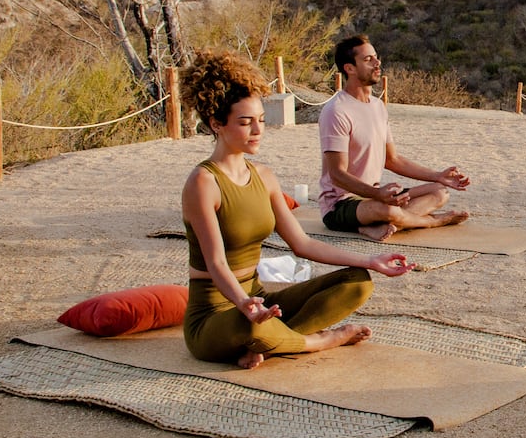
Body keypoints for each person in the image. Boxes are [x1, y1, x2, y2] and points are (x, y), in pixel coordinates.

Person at [181, 50, 413, 370]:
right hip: (216, 317)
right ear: (216, 124)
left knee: (358, 281)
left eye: (261, 121)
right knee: (251, 326)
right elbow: (217, 262)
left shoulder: (264, 176)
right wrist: (245, 306)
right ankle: (317, 341)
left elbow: (301, 243)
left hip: (259, 301)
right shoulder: (203, 182)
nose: (257, 131)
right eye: (245, 123)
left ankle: (272, 341)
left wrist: (370, 260)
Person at [317, 35, 471, 241]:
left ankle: (383, 225)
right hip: (341, 204)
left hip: (374, 196)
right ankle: (432, 221)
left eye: (376, 57)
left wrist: (437, 176)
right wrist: (378, 195)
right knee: (387, 210)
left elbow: (392, 160)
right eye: (368, 59)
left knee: (440, 192)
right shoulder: (337, 111)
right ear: (350, 68)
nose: (377, 62)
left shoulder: (377, 106)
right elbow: (337, 174)